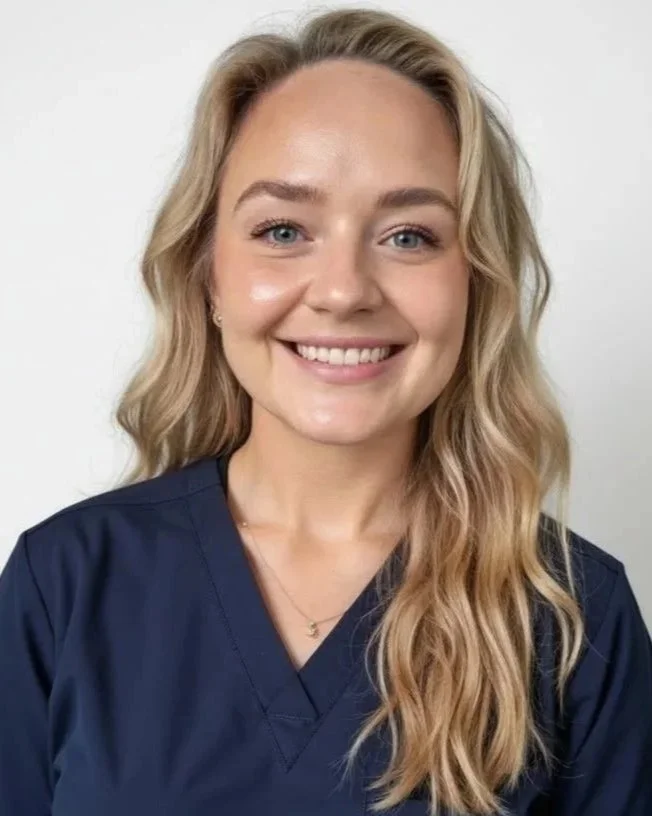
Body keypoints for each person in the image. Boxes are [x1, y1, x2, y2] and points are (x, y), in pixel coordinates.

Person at [1, 6, 651, 815]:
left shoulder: (573, 616)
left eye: (410, 236)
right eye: (283, 229)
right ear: (207, 273)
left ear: (477, 285)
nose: (344, 290)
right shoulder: (65, 582)